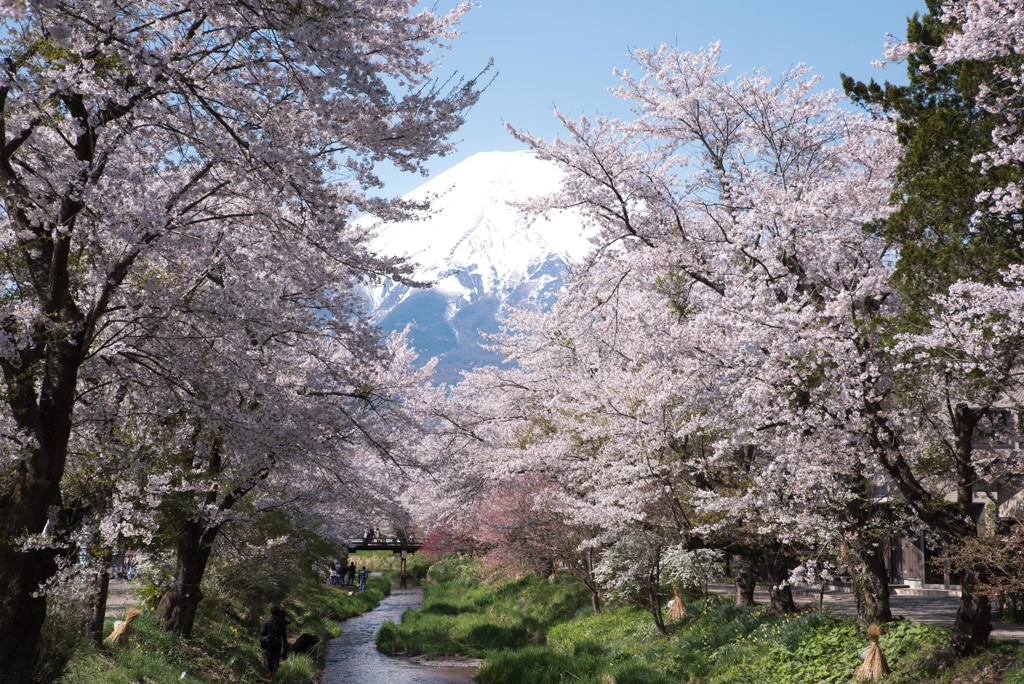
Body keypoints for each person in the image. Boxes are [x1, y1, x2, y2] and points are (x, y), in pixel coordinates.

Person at [259, 604, 288, 676]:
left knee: (269, 657)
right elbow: (284, 634)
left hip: (269, 642)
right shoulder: (281, 622)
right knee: (276, 657)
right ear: (278, 613)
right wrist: (285, 642)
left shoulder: (267, 621)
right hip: (278, 642)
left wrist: (267, 637)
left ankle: (270, 672)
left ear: (271, 612)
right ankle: (275, 673)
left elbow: (262, 632)